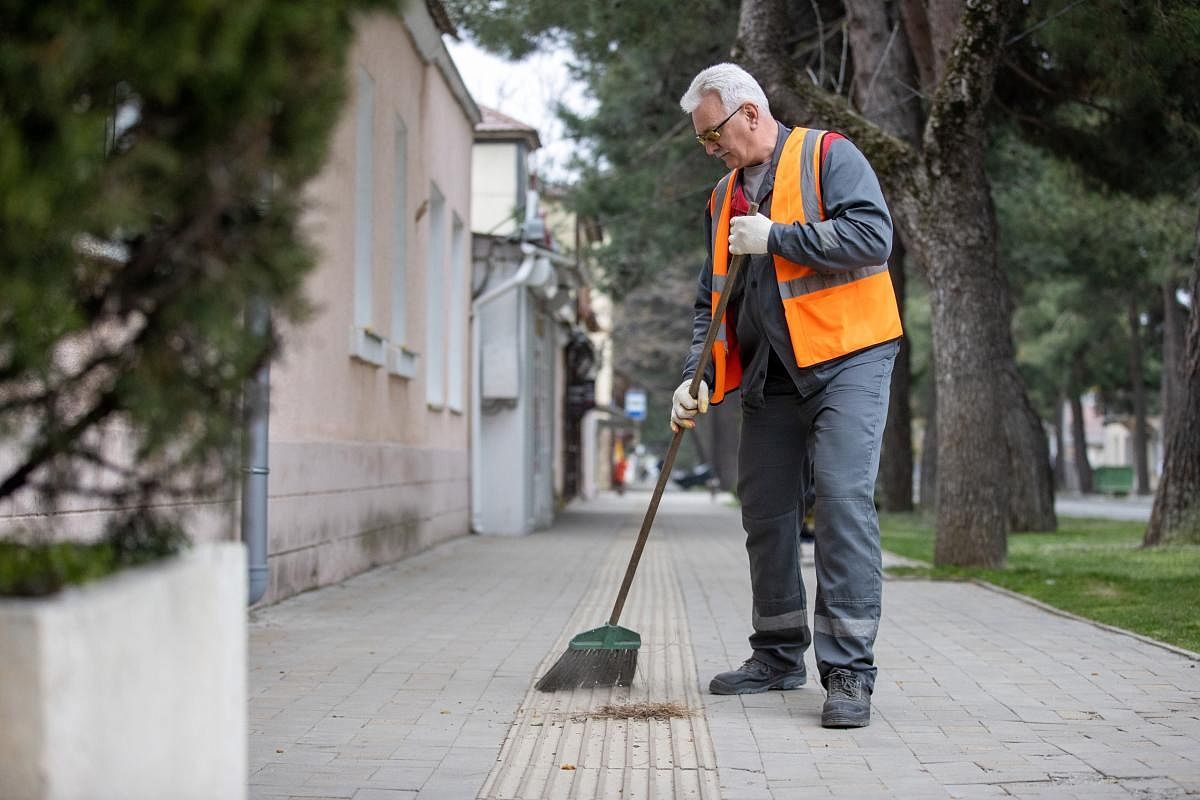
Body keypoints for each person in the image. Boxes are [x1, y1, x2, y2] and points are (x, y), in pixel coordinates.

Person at [671, 63, 901, 729]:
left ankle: (850, 671)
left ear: (749, 113)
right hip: (772, 373)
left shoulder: (830, 155)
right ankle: (776, 654)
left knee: (840, 499)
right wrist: (694, 380)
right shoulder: (721, 201)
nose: (712, 149)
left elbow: (872, 237)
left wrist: (778, 238)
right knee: (766, 513)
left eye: (715, 134)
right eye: (702, 142)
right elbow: (707, 306)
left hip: (848, 359)